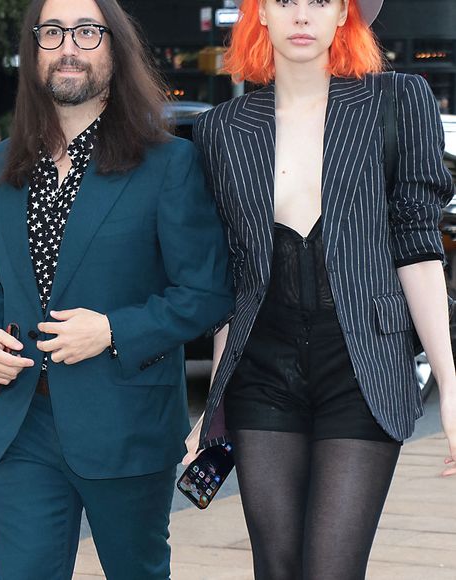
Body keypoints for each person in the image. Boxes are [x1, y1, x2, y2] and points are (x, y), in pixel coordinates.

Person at [185, 1, 456, 579]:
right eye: (283, 1)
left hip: (361, 369)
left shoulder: (397, 101)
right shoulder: (221, 131)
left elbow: (417, 247)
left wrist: (451, 385)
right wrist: (211, 409)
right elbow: (232, 280)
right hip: (261, 373)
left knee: (332, 569)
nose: (301, 15)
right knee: (277, 568)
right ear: (258, 14)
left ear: (343, 15)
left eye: (319, 0)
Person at [0, 0, 233, 578]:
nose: (69, 47)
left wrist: (113, 330)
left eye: (87, 32)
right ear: (33, 49)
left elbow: (207, 292)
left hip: (126, 427)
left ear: (114, 47)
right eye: (53, 32)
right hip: (20, 429)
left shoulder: (168, 163)